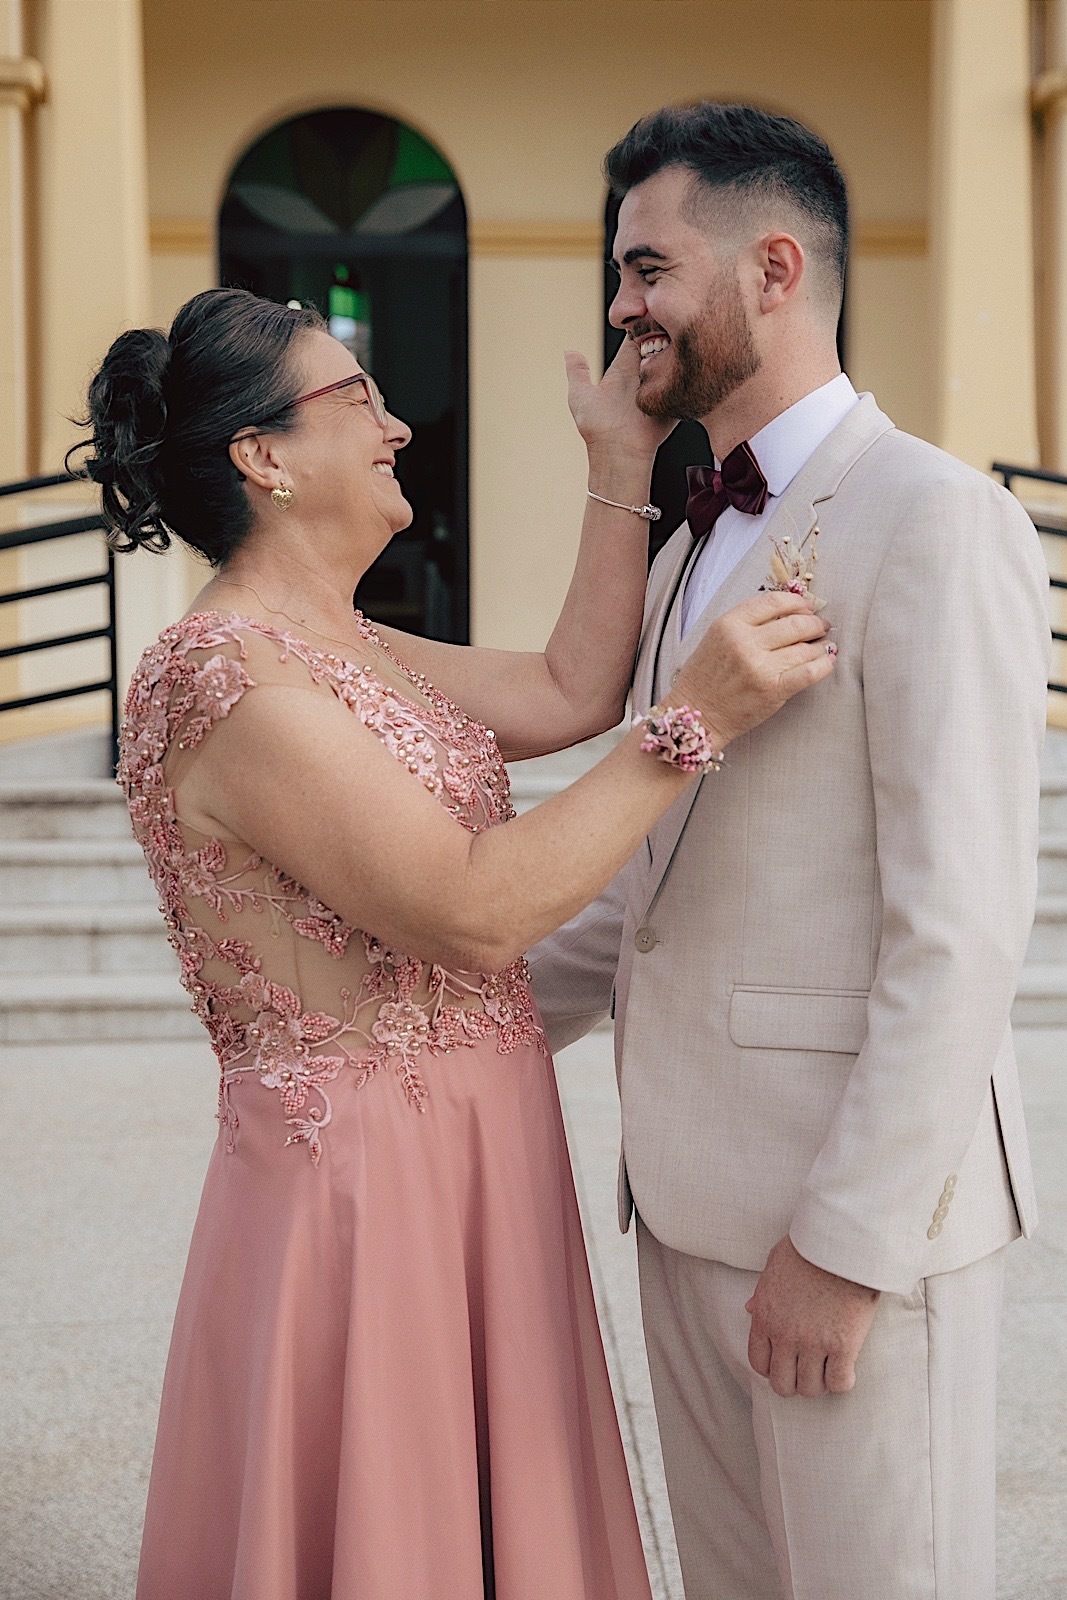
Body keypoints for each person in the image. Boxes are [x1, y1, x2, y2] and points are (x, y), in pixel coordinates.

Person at [77, 285, 833, 1600]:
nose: (399, 426)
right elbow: (471, 904)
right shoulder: (225, 676)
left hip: (482, 1154)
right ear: (264, 456)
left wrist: (619, 463)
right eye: (357, 397)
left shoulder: (341, 644)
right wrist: (695, 721)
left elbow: (565, 691)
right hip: (366, 1193)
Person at [528, 103, 1052, 1600]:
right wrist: (453, 979)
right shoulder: (693, 538)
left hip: (847, 1232)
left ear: (772, 266)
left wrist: (850, 1243)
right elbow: (657, 875)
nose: (622, 305)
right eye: (616, 271)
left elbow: (959, 924)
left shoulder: (938, 519)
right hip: (684, 1206)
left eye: (647, 266)